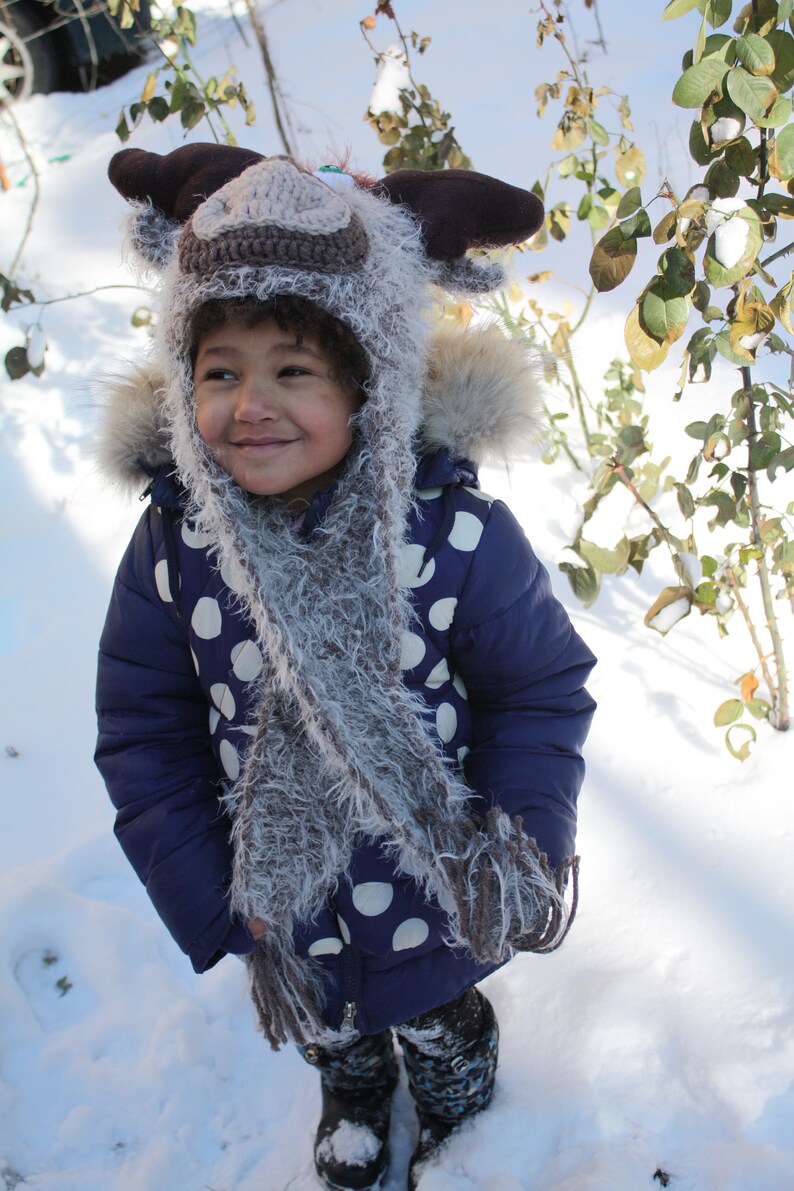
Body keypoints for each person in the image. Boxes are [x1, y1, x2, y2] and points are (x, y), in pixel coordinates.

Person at [95, 143, 596, 1191]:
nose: (250, 403)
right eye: (219, 370)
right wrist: (211, 897)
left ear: (369, 379)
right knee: (331, 1026)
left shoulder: (449, 535)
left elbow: (534, 689)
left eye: (293, 370)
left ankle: (459, 1101)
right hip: (280, 900)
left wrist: (524, 834)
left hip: (436, 885)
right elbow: (145, 732)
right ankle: (353, 1092)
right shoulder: (177, 552)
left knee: (432, 1012)